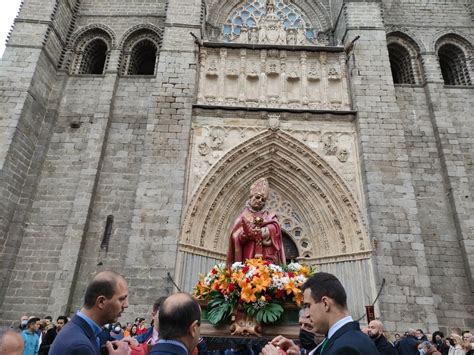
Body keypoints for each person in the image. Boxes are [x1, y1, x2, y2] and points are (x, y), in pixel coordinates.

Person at [264, 272, 378, 355]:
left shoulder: (346, 347)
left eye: (308, 306)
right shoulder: (343, 337)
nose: (307, 314)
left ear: (325, 303)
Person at [50, 270, 131, 355]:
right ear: (101, 302)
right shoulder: (80, 347)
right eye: (122, 299)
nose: (126, 305)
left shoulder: (77, 330)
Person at [226, 177, 286, 266]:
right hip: (249, 255)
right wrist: (245, 235)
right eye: (257, 197)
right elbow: (235, 238)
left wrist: (263, 232)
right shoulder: (243, 217)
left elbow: (275, 228)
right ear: (250, 197)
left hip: (266, 255)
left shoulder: (268, 215)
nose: (260, 201)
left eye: (263, 200)